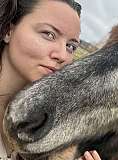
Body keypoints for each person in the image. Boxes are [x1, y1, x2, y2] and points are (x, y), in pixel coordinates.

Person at [0, 0, 101, 160]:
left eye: (71, 46)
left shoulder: (44, 133)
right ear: (8, 31)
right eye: (49, 34)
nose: (62, 56)